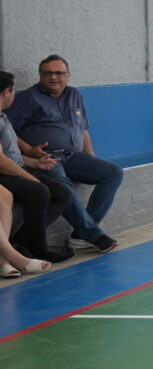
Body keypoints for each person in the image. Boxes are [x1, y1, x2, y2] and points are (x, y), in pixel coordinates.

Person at [4, 55, 121, 253]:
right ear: (40, 75)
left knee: (113, 173)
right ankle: (93, 235)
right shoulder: (28, 98)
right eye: (48, 73)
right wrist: (29, 150)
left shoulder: (75, 95)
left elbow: (83, 129)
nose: (53, 77)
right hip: (46, 158)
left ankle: (79, 235)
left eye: (59, 73)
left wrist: (90, 156)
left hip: (74, 156)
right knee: (63, 184)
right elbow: (9, 129)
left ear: (68, 76)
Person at [0, 70, 73, 264]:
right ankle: (39, 249)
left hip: (14, 169)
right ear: (6, 92)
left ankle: (22, 240)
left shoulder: (3, 117)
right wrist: (28, 175)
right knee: (39, 191)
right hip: (4, 174)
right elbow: (2, 162)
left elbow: (13, 154)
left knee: (62, 193)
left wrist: (35, 163)